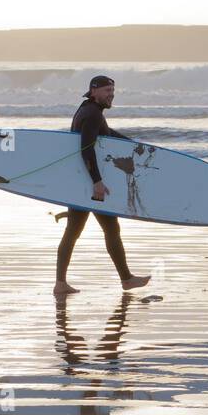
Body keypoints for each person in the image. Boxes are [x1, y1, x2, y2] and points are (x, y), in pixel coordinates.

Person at [54, 74, 151, 295]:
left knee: (75, 232)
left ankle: (60, 283)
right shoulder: (93, 114)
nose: (112, 95)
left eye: (113, 90)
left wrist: (129, 142)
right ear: (94, 91)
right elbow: (86, 150)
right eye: (107, 91)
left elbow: (104, 135)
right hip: (91, 184)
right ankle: (126, 279)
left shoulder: (87, 109)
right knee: (110, 229)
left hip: (81, 182)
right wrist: (97, 182)